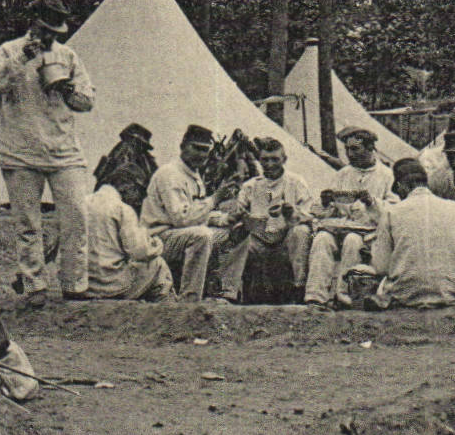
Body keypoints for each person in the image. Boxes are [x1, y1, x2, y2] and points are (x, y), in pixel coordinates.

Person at [0, 0, 96, 300]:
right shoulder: (9, 50)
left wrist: (67, 89)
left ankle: (75, 284)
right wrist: (22, 60)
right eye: (44, 29)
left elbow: (87, 101)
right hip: (19, 150)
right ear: (32, 24)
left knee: (76, 216)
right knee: (27, 222)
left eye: (55, 32)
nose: (49, 36)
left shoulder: (68, 56)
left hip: (63, 150)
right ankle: (34, 284)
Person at [304, 126, 397, 309]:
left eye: (355, 149)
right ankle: (315, 296)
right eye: (347, 149)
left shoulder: (387, 176)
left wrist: (372, 202)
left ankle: (343, 295)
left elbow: (393, 212)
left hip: (370, 234)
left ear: (370, 148)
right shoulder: (342, 175)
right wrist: (325, 203)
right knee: (322, 239)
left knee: (352, 241)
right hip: (341, 227)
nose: (349, 154)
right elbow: (326, 212)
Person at [215, 137, 315, 303]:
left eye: (275, 159)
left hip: (285, 238)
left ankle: (299, 288)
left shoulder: (296, 182)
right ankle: (228, 292)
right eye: (265, 160)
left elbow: (310, 214)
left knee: (301, 231)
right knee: (238, 234)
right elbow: (238, 210)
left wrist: (292, 213)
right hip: (259, 239)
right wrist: (242, 217)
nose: (269, 164)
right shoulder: (251, 185)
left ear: (284, 159)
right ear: (259, 161)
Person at [365, 158, 455, 310]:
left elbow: (381, 267)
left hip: (405, 295)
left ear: (402, 186)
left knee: (379, 283)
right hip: (449, 293)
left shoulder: (391, 212)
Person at [141, 124, 234, 302]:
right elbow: (182, 219)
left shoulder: (193, 174)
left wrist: (225, 219)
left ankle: (226, 292)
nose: (201, 155)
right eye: (196, 148)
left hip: (180, 234)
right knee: (202, 236)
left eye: (205, 150)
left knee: (237, 232)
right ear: (183, 146)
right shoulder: (170, 174)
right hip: (158, 238)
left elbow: (197, 212)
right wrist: (215, 199)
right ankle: (190, 299)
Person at [81, 161, 173, 302]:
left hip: (81, 285)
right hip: (109, 287)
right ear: (127, 186)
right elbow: (139, 252)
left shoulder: (82, 203)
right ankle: (165, 310)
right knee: (157, 264)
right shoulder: (123, 209)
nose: (139, 199)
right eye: (139, 191)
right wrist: (156, 246)